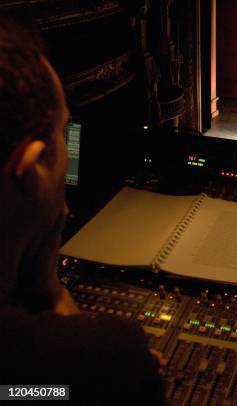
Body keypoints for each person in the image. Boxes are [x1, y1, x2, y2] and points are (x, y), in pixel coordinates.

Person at [0, 18, 165, 404]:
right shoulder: (101, 363)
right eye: (62, 130)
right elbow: (36, 393)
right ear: (34, 166)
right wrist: (100, 363)